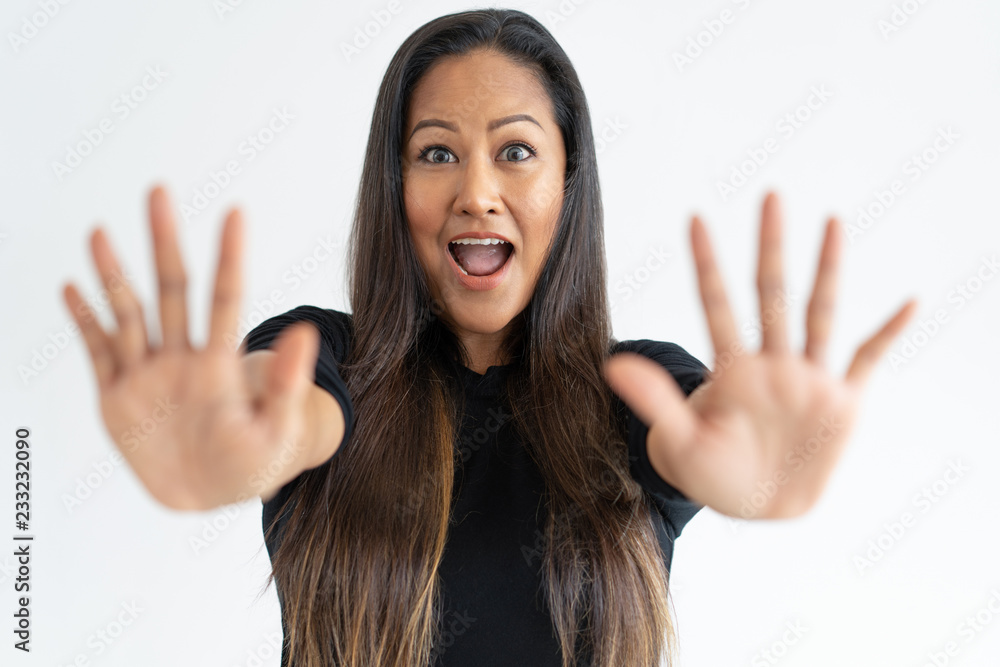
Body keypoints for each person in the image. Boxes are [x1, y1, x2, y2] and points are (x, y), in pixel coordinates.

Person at [62, 8, 917, 667]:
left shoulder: (635, 389)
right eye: (437, 154)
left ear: (567, 184)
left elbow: (698, 446)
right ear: (395, 185)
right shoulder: (325, 358)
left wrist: (757, 473)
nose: (476, 191)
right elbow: (287, 419)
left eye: (516, 152)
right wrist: (235, 447)